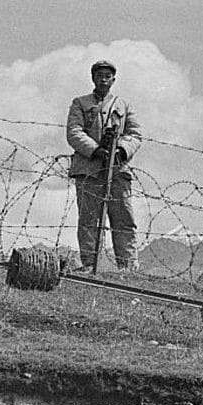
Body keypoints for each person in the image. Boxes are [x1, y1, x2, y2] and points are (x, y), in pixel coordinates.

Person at [66, 59, 142, 272]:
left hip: (118, 170)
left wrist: (121, 150)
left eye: (107, 75)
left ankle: (127, 267)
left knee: (123, 218)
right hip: (89, 169)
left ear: (113, 80)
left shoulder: (123, 105)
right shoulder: (80, 103)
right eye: (99, 75)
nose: (103, 79)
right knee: (89, 218)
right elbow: (74, 131)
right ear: (93, 78)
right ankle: (90, 264)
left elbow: (135, 134)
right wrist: (95, 150)